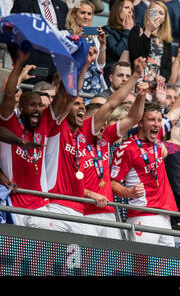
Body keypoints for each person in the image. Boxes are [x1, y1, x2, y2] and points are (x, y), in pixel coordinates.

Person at [44, 50, 145, 234]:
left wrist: (135, 77)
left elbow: (112, 105)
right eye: (77, 104)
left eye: (83, 104)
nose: (81, 106)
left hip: (82, 210)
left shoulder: (90, 134)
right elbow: (68, 97)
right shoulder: (58, 127)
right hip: (58, 205)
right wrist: (83, 66)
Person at [110, 72, 180, 246]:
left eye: (159, 120)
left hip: (165, 216)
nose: (157, 124)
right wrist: (130, 193)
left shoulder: (157, 139)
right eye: (151, 120)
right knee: (141, 269)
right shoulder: (126, 148)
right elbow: (112, 182)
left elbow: (176, 111)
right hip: (143, 216)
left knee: (166, 269)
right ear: (140, 122)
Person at [0, 49, 79, 229]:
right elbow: (9, 94)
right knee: (15, 254)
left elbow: (65, 97)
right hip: (15, 201)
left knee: (41, 253)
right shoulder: (10, 124)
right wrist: (19, 64)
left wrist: (72, 64)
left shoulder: (43, 124)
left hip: (41, 204)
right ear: (20, 107)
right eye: (32, 105)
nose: (37, 109)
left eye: (39, 105)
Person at [83, 80, 149, 240]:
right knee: (86, 262)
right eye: (99, 120)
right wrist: (90, 194)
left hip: (108, 212)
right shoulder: (74, 141)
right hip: (83, 213)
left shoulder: (105, 137)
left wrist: (141, 95)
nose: (104, 124)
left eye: (105, 120)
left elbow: (133, 118)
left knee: (112, 263)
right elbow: (64, 184)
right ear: (86, 121)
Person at [10, 0, 69, 84]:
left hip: (57, 63)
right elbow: (12, 35)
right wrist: (20, 63)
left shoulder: (62, 6)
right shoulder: (23, 3)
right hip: (33, 64)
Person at [66, 0, 108, 100]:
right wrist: (75, 39)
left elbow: (101, 64)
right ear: (74, 14)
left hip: (94, 84)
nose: (86, 17)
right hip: (75, 82)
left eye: (89, 14)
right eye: (82, 13)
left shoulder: (93, 37)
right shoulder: (66, 34)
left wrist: (103, 44)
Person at [128, 0, 173, 83]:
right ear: (148, 14)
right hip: (138, 81)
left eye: (161, 13)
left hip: (155, 85)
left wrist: (163, 77)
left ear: (164, 19)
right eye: (154, 12)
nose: (157, 15)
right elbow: (134, 54)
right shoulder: (137, 30)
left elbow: (168, 67)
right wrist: (148, 30)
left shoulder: (166, 41)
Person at [103, 0, 135, 85]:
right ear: (117, 10)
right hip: (112, 77)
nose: (130, 11)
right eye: (127, 8)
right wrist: (127, 31)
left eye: (132, 9)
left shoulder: (134, 33)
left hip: (129, 76)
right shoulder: (106, 30)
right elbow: (118, 51)